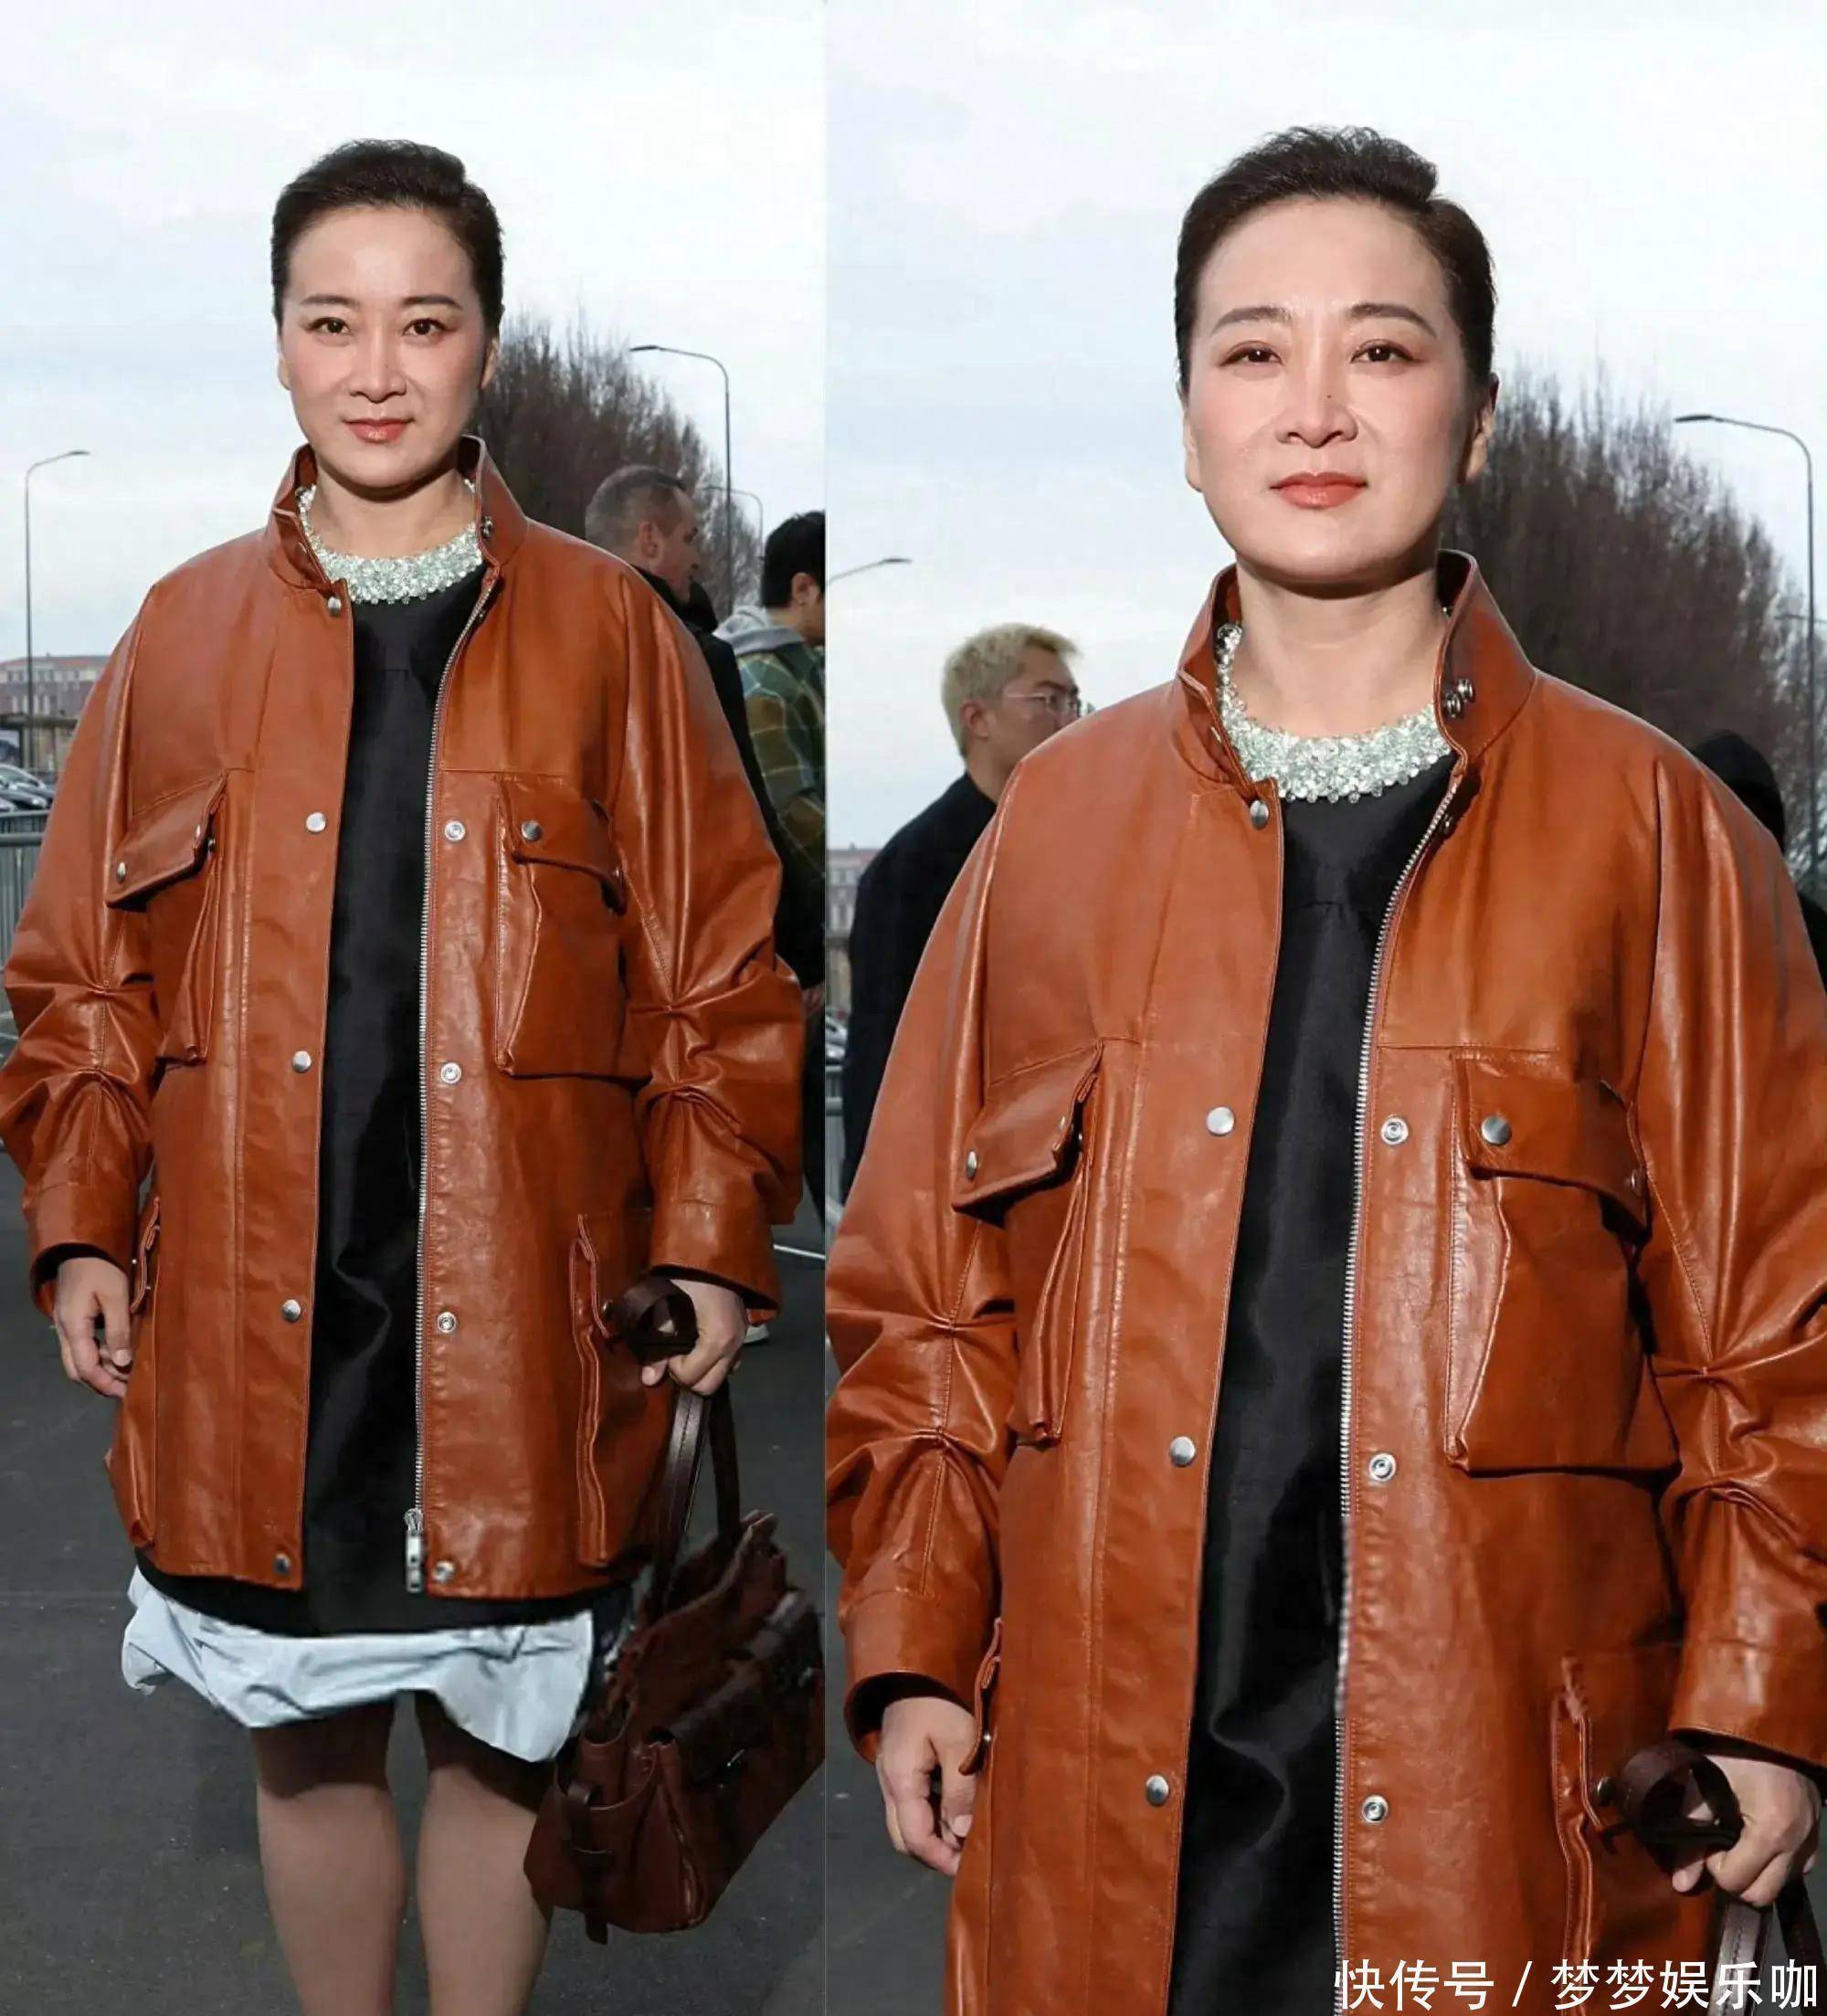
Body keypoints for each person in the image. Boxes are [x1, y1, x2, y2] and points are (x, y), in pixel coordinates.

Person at [826, 125, 1827, 2016]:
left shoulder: (1658, 835)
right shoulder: (1052, 832)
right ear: (1186, 417)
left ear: (1478, 412)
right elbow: (926, 1299)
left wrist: (1763, 1694)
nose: (1313, 406)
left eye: (1380, 347)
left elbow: (1776, 1329)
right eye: (1251, 349)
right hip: (1102, 1784)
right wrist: (919, 1638)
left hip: (1511, 1796)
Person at [0, 140, 800, 2016]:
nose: (376, 369)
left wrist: (707, 1242)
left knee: (507, 1749)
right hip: (251, 1310)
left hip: (527, 1309)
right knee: (306, 1745)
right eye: (331, 321)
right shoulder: (179, 634)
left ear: (486, 346)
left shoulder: (616, 634)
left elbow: (722, 976)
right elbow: (81, 982)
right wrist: (83, 1219)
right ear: (278, 341)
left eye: (423, 323)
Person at [840, 623, 1081, 1196]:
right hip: (961, 1178)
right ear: (978, 719)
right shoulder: (915, 867)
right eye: (1048, 700)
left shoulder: (1073, 843)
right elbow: (886, 1051)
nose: (1069, 720)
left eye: (1074, 702)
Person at [584, 465, 824, 997]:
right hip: (684, 957)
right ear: (650, 539)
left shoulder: (542, 647)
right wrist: (804, 953)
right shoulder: (692, 657)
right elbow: (744, 821)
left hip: (580, 946)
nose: (698, 558)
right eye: (690, 538)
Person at [720, 512, 827, 1211]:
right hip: (787, 939)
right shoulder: (765, 682)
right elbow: (788, 816)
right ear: (805, 588)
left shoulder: (798, 671)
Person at [1691, 727, 1827, 984]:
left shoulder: (1808, 931)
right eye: (1722, 821)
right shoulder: (1660, 925)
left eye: (1752, 823)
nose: (1736, 842)